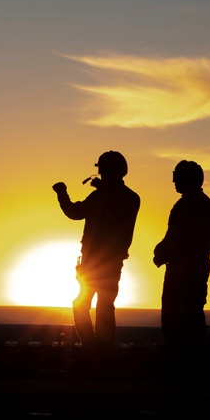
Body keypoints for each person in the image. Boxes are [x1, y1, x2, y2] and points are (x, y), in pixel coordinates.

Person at [52, 150, 140, 351]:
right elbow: (77, 212)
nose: (101, 175)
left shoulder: (118, 198)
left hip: (101, 263)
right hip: (100, 263)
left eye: (104, 171)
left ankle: (96, 347)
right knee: (98, 305)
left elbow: (77, 212)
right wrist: (63, 195)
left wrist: (62, 195)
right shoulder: (117, 196)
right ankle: (97, 347)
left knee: (96, 306)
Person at [154, 160, 210, 381]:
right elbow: (172, 235)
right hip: (179, 270)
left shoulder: (198, 205)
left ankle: (188, 366)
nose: (174, 182)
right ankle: (178, 362)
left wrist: (165, 252)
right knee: (173, 316)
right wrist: (161, 250)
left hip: (189, 271)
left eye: (178, 177)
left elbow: (186, 239)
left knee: (188, 317)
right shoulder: (185, 205)